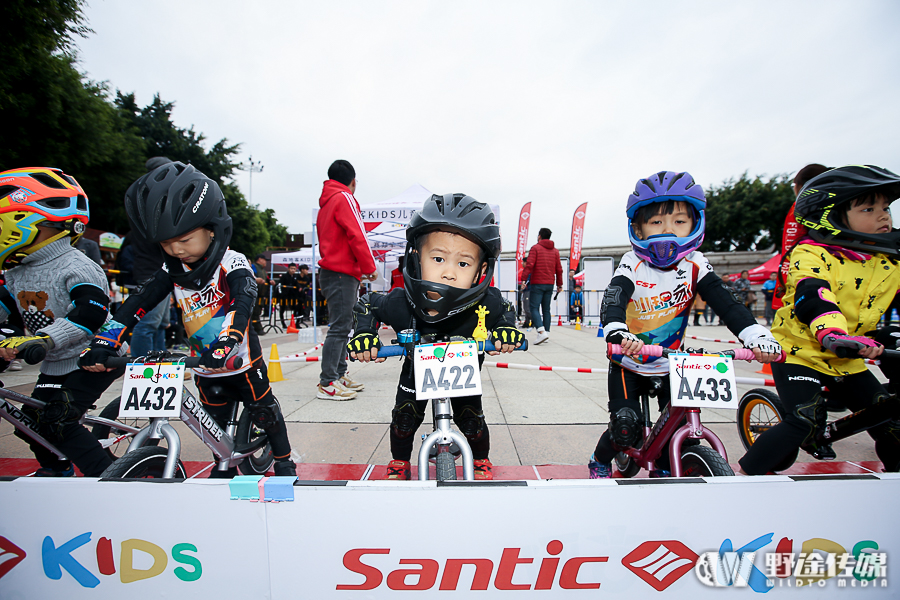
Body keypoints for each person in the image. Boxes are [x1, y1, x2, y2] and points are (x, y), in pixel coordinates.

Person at [79, 162, 296, 477]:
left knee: (265, 412)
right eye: (166, 244)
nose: (176, 250)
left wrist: (229, 340)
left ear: (212, 229)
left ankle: (285, 461)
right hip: (203, 366)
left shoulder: (232, 262)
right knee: (212, 424)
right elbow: (138, 302)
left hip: (241, 362)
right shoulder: (171, 270)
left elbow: (242, 302)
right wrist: (106, 340)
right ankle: (223, 464)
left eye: (184, 240)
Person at [590, 170, 781, 478]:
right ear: (637, 227)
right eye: (656, 222)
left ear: (695, 224)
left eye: (679, 221)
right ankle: (599, 460)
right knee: (625, 426)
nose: (668, 230)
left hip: (673, 362)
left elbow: (726, 302)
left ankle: (666, 466)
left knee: (677, 432)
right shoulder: (632, 262)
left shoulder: (696, 264)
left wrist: (756, 335)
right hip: (628, 359)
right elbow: (615, 296)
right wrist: (616, 329)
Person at [348, 193, 524, 480]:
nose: (449, 273)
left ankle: (480, 459)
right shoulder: (401, 302)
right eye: (438, 258)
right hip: (416, 375)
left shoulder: (486, 302)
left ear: (481, 270)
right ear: (416, 257)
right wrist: (365, 334)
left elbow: (505, 309)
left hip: (462, 377)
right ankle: (399, 461)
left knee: (471, 420)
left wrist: (506, 330)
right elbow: (367, 304)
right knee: (404, 419)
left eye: (463, 264)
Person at [739, 165, 900, 475]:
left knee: (891, 422)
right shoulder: (812, 253)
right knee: (804, 420)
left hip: (848, 357)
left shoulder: (888, 259)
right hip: (800, 351)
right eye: (869, 209)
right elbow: (813, 295)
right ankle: (744, 476)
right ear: (832, 216)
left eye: (886, 208)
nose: (883, 216)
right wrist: (832, 333)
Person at [0, 167, 124, 477]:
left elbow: (90, 312)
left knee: (59, 419)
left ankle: (112, 479)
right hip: (55, 360)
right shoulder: (16, 272)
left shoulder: (77, 266)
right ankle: (57, 470)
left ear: (28, 220)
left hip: (96, 355)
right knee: (29, 424)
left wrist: (44, 339)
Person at [315, 160, 378, 400]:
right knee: (341, 326)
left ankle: (339, 373)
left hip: (335, 271)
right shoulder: (344, 198)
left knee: (343, 325)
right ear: (353, 181)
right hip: (342, 272)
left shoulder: (326, 203)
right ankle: (328, 382)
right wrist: (369, 267)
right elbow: (357, 233)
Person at [521, 227, 563, 345]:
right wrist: (559, 284)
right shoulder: (555, 251)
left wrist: (524, 279)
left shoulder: (535, 248)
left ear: (539, 236)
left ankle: (541, 331)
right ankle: (547, 333)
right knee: (546, 309)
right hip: (550, 283)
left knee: (534, 307)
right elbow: (559, 269)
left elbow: (530, 265)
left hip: (537, 282)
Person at [251, 254, 271, 334]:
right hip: (254, 294)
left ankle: (256, 328)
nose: (265, 262)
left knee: (258, 311)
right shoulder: (253, 267)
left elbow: (267, 280)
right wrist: (256, 279)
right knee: (254, 312)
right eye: (264, 260)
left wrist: (270, 282)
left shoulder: (263, 270)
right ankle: (257, 329)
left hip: (261, 295)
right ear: (260, 259)